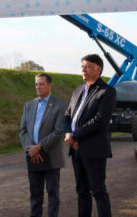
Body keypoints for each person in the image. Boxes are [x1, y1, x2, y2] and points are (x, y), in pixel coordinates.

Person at [63, 54, 116, 217]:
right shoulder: (78, 90)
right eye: (82, 66)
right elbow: (67, 115)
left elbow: (100, 120)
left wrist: (75, 135)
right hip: (76, 149)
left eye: (88, 66)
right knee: (82, 191)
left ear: (98, 69)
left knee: (98, 191)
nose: (83, 70)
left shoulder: (107, 91)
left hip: (93, 149)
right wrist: (68, 135)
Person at [19, 73, 67, 217]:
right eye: (36, 84)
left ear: (50, 85)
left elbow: (59, 131)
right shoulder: (28, 105)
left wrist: (38, 147)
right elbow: (22, 130)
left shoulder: (60, 105)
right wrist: (31, 149)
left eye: (41, 84)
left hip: (51, 156)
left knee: (53, 194)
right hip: (32, 156)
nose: (38, 87)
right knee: (35, 195)